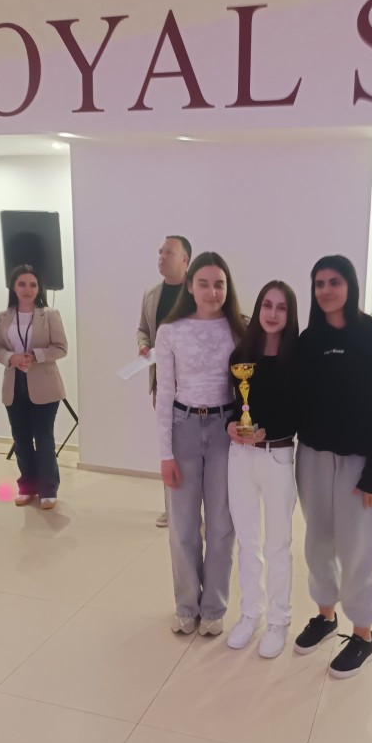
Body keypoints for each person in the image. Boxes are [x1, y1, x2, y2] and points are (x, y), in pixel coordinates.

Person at [294, 255, 372, 678]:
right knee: (317, 542)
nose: (326, 290)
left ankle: (363, 635)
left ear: (350, 286)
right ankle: (325, 615)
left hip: (360, 463)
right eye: (319, 283)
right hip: (313, 458)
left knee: (357, 549)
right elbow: (294, 397)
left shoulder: (371, 335)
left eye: (334, 282)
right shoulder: (308, 340)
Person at [155, 251, 245, 636]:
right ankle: (186, 604)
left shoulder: (239, 329)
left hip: (226, 431)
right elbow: (164, 393)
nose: (212, 292)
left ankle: (214, 607)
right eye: (204, 284)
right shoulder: (170, 331)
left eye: (219, 284)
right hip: (184, 428)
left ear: (228, 287)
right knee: (183, 526)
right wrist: (165, 454)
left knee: (222, 524)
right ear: (190, 286)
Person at [226, 281, 299, 658]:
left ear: (290, 314)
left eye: (281, 307)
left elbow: (300, 411)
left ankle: (278, 619)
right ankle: (250, 612)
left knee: (278, 545)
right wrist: (230, 425)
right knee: (247, 540)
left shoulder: (298, 357)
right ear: (257, 309)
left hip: (277, 456)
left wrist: (268, 430)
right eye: (267, 305)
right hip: (239, 457)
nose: (272, 313)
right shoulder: (242, 353)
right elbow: (231, 402)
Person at [0, 264, 68, 510]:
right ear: (13, 287)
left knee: (44, 439)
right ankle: (27, 487)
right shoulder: (3, 316)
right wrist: (11, 358)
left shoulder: (50, 314)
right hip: (14, 385)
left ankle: (48, 489)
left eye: (33, 284)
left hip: (45, 385)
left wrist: (36, 355)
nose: (28, 289)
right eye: (22, 284)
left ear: (39, 288)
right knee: (21, 439)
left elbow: (61, 348)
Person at [137, 235, 192, 527]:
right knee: (168, 445)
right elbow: (142, 329)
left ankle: (197, 512)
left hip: (195, 386)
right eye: (160, 251)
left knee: (194, 449)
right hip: (162, 382)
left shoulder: (197, 291)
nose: (162, 256)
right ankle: (171, 508)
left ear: (185, 259)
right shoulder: (151, 294)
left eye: (169, 252)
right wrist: (144, 344)